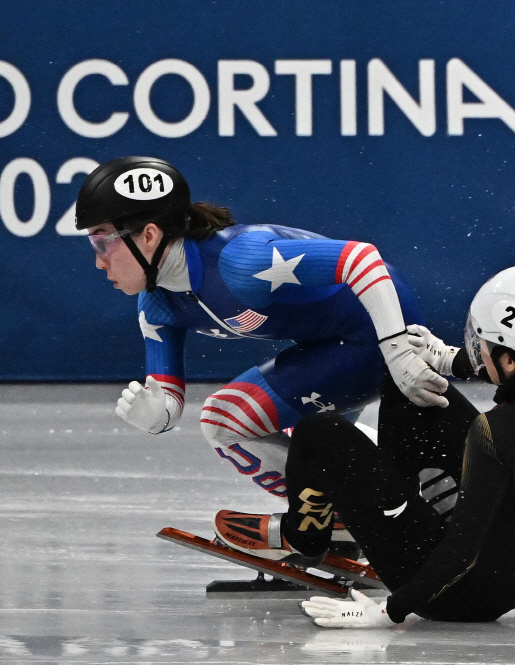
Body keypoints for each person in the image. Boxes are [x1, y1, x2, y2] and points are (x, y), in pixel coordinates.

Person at [211, 265, 515, 628]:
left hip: (463, 595)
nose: (476, 348)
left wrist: (389, 611)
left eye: (482, 343)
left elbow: (463, 551)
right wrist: (449, 361)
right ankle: (385, 513)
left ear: (507, 360)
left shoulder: (498, 432)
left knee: (320, 434)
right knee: (411, 382)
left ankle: (306, 537)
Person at [78, 156, 449, 499]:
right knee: (299, 436)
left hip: (378, 332)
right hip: (329, 345)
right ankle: (409, 487)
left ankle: (348, 514)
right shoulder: (157, 303)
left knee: (225, 419)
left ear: (148, 236)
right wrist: (156, 417)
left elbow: (363, 259)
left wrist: (397, 349)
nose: (97, 262)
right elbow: (168, 401)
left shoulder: (240, 262)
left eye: (101, 242)